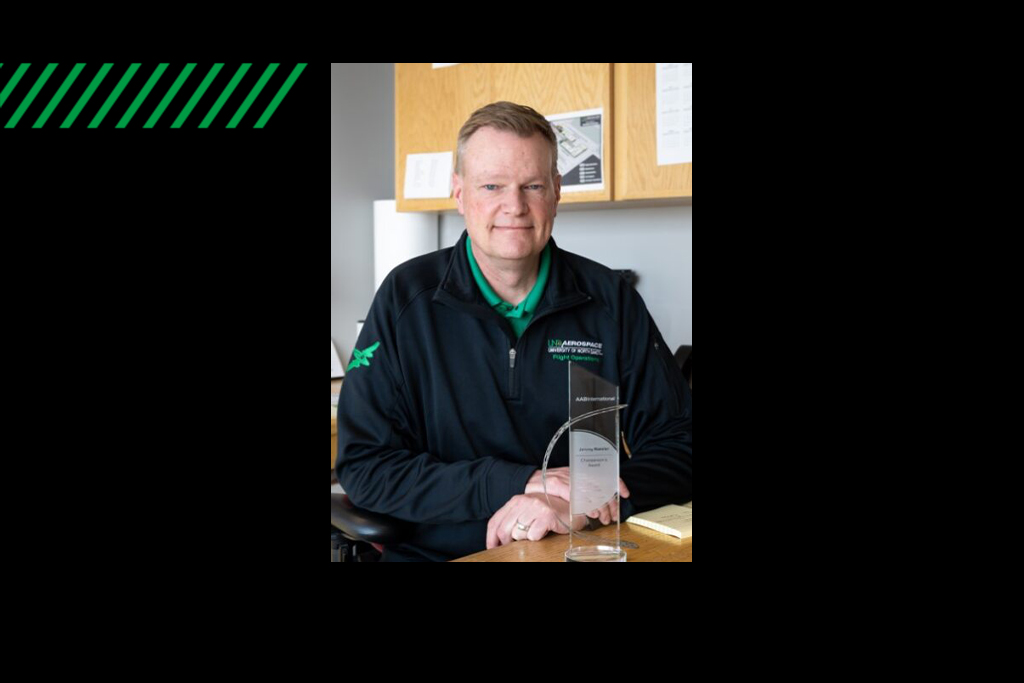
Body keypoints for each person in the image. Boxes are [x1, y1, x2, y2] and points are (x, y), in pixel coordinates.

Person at [337, 101, 692, 561]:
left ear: (557, 192)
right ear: (460, 194)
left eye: (533, 185)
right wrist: (520, 482)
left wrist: (578, 502)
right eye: (492, 185)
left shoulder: (610, 300)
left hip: (579, 547)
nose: (515, 206)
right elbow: (367, 468)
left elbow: (681, 444)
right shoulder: (406, 300)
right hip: (443, 554)